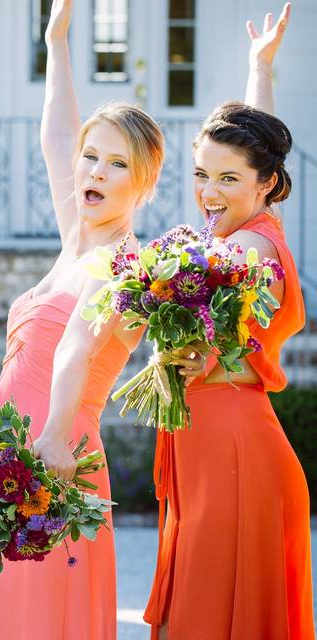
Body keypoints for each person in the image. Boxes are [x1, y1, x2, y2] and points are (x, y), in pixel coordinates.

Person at [0, 1, 164, 637]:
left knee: (32, 618)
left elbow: (78, 343)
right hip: (11, 448)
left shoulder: (129, 262)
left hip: (56, 455)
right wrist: (57, 40)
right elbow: (57, 137)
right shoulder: (77, 239)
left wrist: (54, 436)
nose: (95, 170)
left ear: (144, 182)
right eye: (93, 157)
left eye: (118, 163)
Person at [144, 6, 314, 639]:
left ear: (267, 185)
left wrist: (188, 353)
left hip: (233, 453)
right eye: (201, 175)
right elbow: (255, 140)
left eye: (228, 180)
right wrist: (259, 69)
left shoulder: (250, 249)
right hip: (212, 447)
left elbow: (211, 335)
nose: (209, 192)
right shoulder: (249, 228)